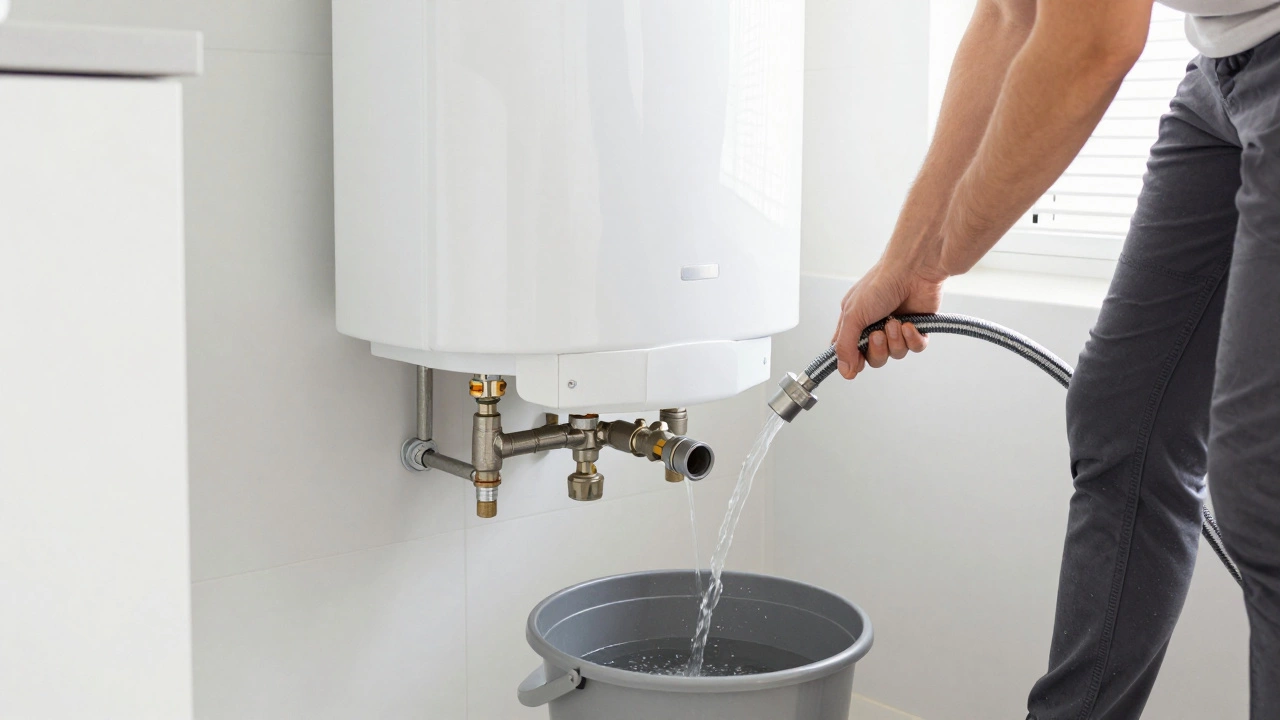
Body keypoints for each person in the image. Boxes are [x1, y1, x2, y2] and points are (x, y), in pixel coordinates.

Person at [830, 0, 1280, 717]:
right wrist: (907, 259)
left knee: (1263, 486)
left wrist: (941, 249)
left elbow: (1093, 43)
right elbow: (1012, 17)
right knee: (1125, 422)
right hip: (1222, 72)